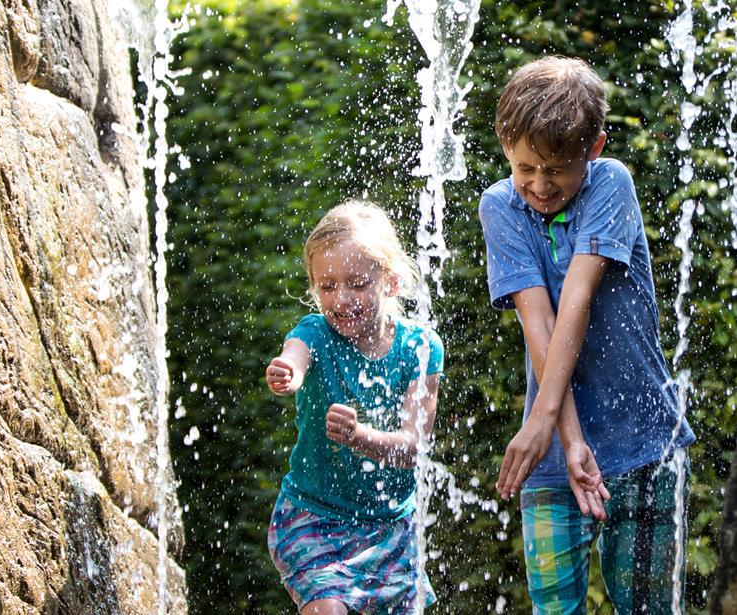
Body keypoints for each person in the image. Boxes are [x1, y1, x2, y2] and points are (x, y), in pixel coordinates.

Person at [478, 55, 695, 614]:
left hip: (642, 443)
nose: (540, 184)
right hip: (551, 457)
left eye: (557, 170)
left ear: (593, 149)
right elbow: (540, 324)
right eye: (526, 167)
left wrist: (543, 418)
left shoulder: (611, 184)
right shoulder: (500, 206)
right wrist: (564, 436)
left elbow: (575, 299)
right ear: (505, 143)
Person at [263, 201, 445, 615]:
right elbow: (296, 354)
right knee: (327, 609)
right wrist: (288, 371)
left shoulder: (420, 349)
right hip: (313, 516)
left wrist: (361, 438)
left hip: (389, 528)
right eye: (327, 287)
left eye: (357, 283)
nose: (341, 299)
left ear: (391, 282)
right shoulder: (315, 334)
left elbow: (413, 448)